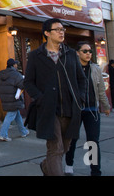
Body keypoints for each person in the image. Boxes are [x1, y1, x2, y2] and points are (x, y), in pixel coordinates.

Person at [24, 18, 86, 176]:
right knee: (55, 147)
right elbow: (29, 83)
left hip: (71, 108)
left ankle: (46, 166)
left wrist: (80, 98)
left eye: (63, 29)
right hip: (49, 110)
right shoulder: (35, 56)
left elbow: (81, 79)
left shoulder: (71, 54)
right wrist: (40, 98)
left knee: (65, 147)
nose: (61, 32)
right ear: (47, 33)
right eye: (57, 29)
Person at [65, 41, 110, 176]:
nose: (88, 54)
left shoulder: (95, 68)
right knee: (72, 139)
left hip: (92, 110)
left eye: (90, 51)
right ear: (77, 53)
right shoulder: (71, 68)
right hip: (76, 110)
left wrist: (105, 105)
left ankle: (95, 171)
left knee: (93, 141)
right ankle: (69, 165)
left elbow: (101, 89)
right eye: (85, 51)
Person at [0, 58, 29, 141]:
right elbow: (22, 85)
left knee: (17, 114)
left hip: (6, 98)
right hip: (14, 98)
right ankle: (3, 134)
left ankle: (23, 132)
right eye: (16, 64)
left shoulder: (2, 75)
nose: (16, 65)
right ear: (13, 65)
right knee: (10, 115)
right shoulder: (16, 74)